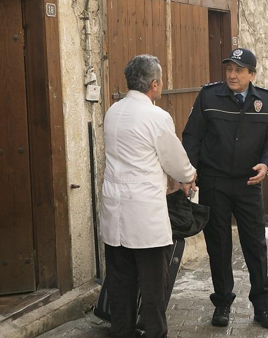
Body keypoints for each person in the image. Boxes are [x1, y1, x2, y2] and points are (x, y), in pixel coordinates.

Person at [182, 48, 268, 329]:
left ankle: (263, 308)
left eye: (239, 70)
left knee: (255, 245)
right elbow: (192, 136)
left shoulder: (265, 100)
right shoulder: (209, 96)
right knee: (219, 245)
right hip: (214, 182)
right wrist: (190, 171)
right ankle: (222, 303)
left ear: (252, 74)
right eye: (229, 68)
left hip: (248, 183)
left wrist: (267, 165)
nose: (232, 74)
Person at [100, 54, 197, 338]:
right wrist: (188, 177)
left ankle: (123, 332)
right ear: (154, 84)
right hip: (145, 215)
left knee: (121, 283)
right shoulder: (156, 116)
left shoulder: (113, 111)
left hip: (115, 211)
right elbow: (175, 161)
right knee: (154, 284)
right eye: (161, 80)